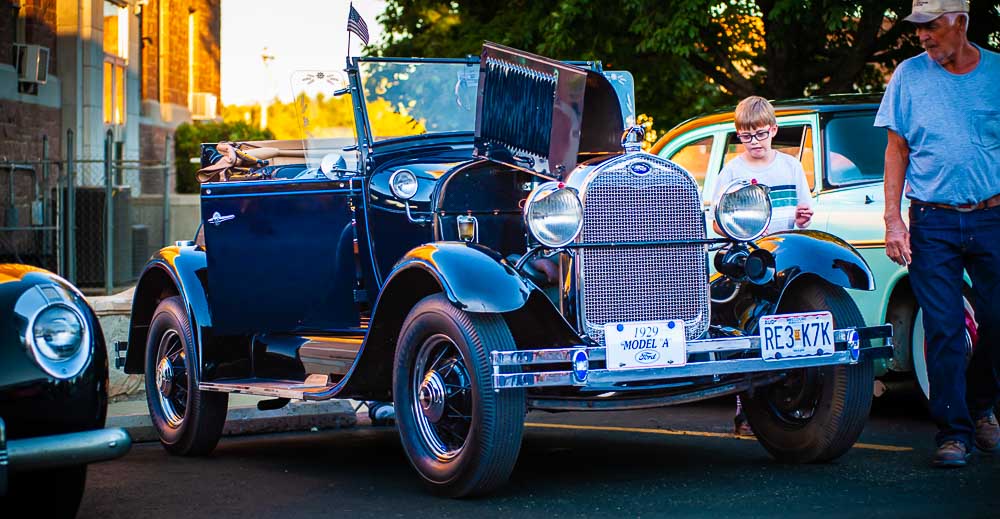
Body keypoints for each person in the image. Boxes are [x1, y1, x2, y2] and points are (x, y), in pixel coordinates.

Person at [875, 0, 1000, 468]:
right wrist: (893, 220)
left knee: (996, 318)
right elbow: (896, 150)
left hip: (992, 217)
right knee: (944, 327)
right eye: (918, 28)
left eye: (932, 26)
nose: (923, 36)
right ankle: (954, 432)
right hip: (933, 220)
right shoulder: (908, 76)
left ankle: (981, 404)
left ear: (960, 22)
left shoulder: (996, 73)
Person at [711, 95, 814, 435]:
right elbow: (716, 221)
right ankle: (744, 406)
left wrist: (801, 216)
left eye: (759, 134)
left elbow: (803, 215)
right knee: (746, 326)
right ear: (738, 135)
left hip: (782, 258)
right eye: (745, 136)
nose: (754, 142)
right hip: (748, 259)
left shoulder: (790, 167)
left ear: (773, 130)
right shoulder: (733, 171)